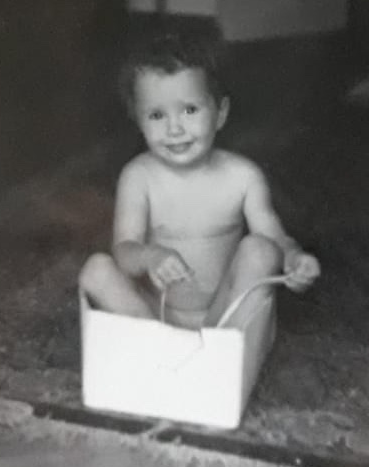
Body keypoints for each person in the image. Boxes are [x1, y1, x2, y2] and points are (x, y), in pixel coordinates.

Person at [79, 26, 320, 334]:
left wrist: (294, 259)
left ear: (220, 113)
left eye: (190, 110)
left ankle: (227, 353)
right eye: (156, 115)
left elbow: (274, 238)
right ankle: (164, 347)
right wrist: (149, 256)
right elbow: (124, 250)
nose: (174, 128)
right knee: (96, 271)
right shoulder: (138, 177)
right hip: (156, 316)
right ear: (139, 121)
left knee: (260, 250)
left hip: (226, 314)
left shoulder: (243, 177)